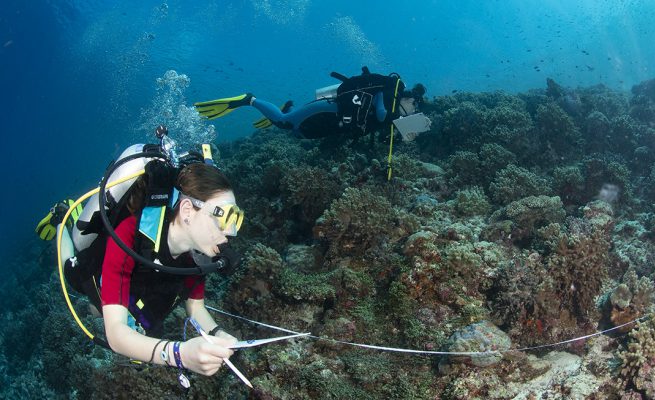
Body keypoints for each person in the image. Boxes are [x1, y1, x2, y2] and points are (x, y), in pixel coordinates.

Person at [36, 142, 245, 378]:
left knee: (105, 312)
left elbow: (195, 307)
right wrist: (179, 354)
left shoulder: (200, 256)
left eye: (236, 219)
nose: (230, 232)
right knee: (73, 274)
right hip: (98, 271)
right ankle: (62, 217)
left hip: (140, 283)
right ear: (187, 210)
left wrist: (218, 334)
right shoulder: (130, 234)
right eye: (226, 216)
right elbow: (115, 334)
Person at [194, 66, 429, 141]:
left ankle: (284, 110)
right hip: (328, 108)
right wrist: (395, 121)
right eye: (414, 107)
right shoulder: (388, 96)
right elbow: (379, 114)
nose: (413, 112)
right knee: (286, 125)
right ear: (408, 98)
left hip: (332, 121)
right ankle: (248, 99)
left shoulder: (392, 105)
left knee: (296, 133)